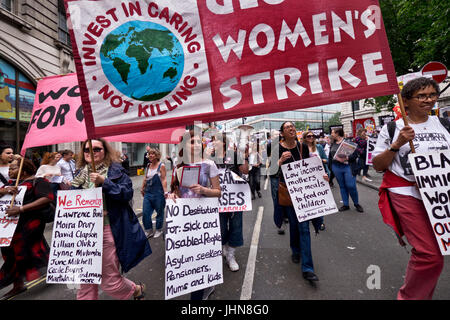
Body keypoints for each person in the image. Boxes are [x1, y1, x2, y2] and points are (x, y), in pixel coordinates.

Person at [372, 77, 449, 300]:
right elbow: (378, 165)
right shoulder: (393, 128)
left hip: (439, 195)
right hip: (407, 194)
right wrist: (397, 145)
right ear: (406, 101)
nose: (428, 100)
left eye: (432, 95)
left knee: (435, 253)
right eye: (421, 96)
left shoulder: (443, 124)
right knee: (429, 255)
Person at [71, 139, 151, 300]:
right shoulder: (80, 174)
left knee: (111, 283)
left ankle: (136, 290)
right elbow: (70, 203)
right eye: (87, 150)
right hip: (84, 232)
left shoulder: (116, 171)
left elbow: (127, 193)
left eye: (96, 149)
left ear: (105, 151)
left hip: (109, 229)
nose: (91, 153)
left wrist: (104, 182)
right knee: (85, 282)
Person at [168, 129, 221, 300]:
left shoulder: (209, 165)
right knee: (190, 258)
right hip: (185, 219)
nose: (197, 144)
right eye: (193, 142)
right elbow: (175, 191)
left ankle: (199, 293)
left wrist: (204, 190)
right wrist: (172, 196)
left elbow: (218, 192)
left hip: (204, 218)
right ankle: (202, 286)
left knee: (202, 256)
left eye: (199, 142)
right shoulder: (179, 165)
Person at [0, 158, 54, 299]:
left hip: (30, 225)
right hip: (9, 227)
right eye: (9, 168)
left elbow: (47, 198)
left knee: (18, 254)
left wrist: (21, 209)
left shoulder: (39, 181)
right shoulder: (11, 184)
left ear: (23, 170)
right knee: (12, 251)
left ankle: (8, 281)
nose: (9, 171)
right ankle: (20, 284)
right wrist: (5, 190)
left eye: (13, 168)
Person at [277, 121, 319, 283]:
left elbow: (310, 168)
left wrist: (321, 178)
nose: (291, 129)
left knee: (304, 228)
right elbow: (270, 171)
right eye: (287, 127)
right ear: (282, 133)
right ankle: (295, 250)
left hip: (304, 193)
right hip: (288, 193)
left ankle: (308, 268)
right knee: (294, 225)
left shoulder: (303, 147)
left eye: (293, 126)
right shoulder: (277, 148)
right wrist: (280, 161)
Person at [212, 133, 248, 272]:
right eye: (213, 141)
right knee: (220, 227)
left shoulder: (234, 155)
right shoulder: (209, 157)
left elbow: (244, 170)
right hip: (217, 198)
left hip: (234, 198)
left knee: (236, 225)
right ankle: (224, 246)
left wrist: (243, 156)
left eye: (217, 141)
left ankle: (231, 255)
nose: (214, 144)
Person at [329, 128, 364, 212]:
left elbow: (356, 154)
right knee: (342, 186)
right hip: (336, 167)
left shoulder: (348, 142)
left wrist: (347, 158)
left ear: (337, 133)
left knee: (351, 186)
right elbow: (330, 156)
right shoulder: (332, 143)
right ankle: (346, 204)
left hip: (348, 166)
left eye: (332, 133)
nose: (331, 134)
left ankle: (356, 203)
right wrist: (330, 167)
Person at [303, 131, 330, 231]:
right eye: (308, 136)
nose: (311, 137)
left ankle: (320, 221)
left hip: (319, 176)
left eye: (312, 136)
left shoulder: (319, 147)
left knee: (320, 199)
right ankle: (310, 215)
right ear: (305, 138)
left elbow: (327, 160)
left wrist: (322, 160)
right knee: (309, 198)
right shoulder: (302, 148)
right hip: (307, 177)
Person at [141, 148, 167, 238]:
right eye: (149, 154)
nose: (150, 155)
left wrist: (165, 192)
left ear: (157, 155)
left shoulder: (161, 166)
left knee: (159, 212)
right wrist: (142, 188)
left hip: (158, 193)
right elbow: (145, 178)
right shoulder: (148, 165)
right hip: (148, 193)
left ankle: (159, 229)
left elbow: (163, 180)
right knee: (145, 212)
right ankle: (149, 230)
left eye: (152, 154)